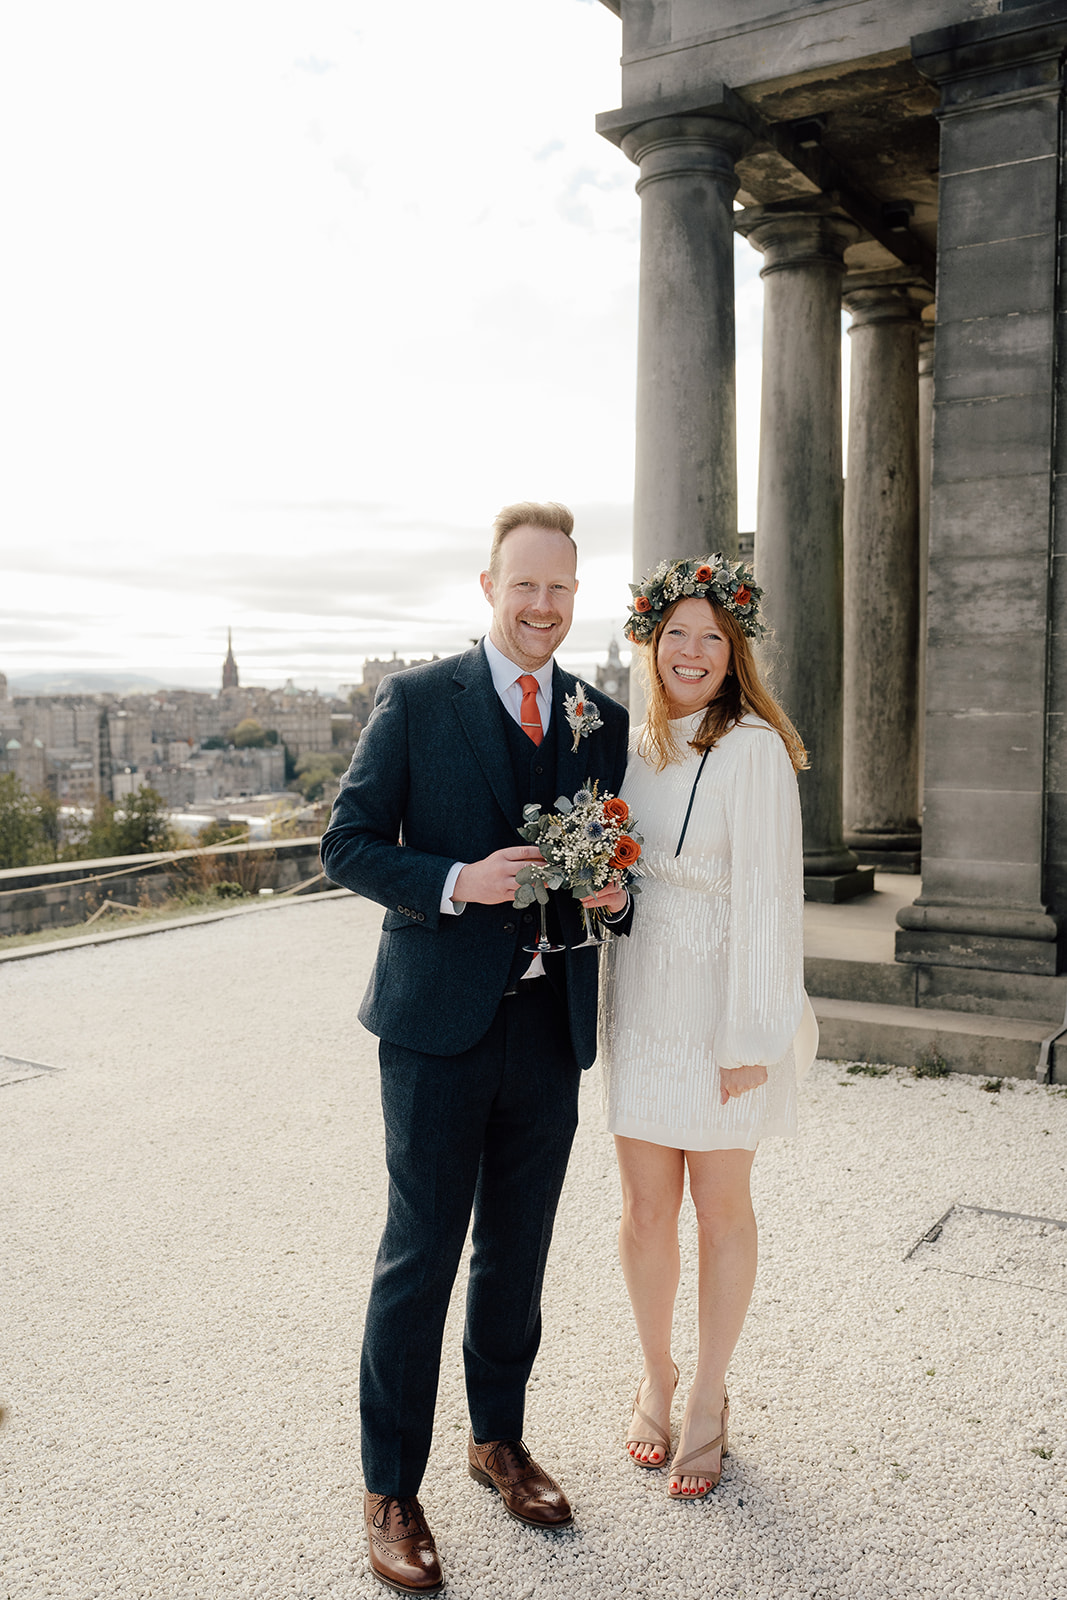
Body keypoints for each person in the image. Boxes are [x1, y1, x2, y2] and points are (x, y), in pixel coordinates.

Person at [321, 501, 631, 1595]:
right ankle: (388, 1488)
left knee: (517, 1249)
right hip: (434, 1032)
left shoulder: (600, 713)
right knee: (421, 1256)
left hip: (549, 1027)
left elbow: (615, 862)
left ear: (574, 595)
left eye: (559, 588)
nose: (540, 605)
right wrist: (457, 882)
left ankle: (496, 1439)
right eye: (523, 585)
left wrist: (612, 889)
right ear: (489, 587)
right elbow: (344, 843)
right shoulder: (415, 701)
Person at [598, 554, 816, 1501]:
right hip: (642, 998)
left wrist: (749, 1038)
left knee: (721, 1210)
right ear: (650, 641)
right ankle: (656, 1373)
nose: (692, 652)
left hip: (722, 1003)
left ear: (734, 655)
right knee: (646, 1211)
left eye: (712, 639)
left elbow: (772, 899)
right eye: (676, 634)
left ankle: (711, 1397)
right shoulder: (629, 742)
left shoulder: (755, 750)